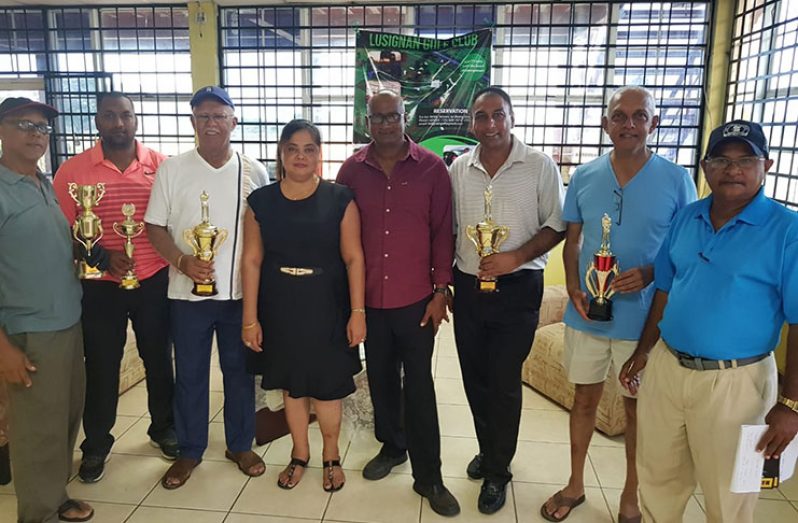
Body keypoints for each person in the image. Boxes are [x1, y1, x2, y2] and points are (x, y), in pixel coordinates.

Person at [619, 120, 798, 522]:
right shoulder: (688, 217)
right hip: (667, 369)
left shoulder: (788, 231)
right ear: (705, 167)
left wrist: (791, 403)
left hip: (736, 383)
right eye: (721, 159)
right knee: (659, 481)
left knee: (728, 498)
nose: (732, 170)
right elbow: (664, 289)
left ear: (765, 165)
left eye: (745, 160)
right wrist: (644, 351)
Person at [541, 86, 696, 522]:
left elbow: (682, 245)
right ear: (605, 123)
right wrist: (573, 287)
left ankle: (631, 493)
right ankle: (575, 484)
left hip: (644, 320)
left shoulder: (676, 179)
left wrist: (649, 273)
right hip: (588, 313)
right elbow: (572, 242)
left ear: (654, 123)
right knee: (583, 399)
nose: (629, 124)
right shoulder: (586, 176)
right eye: (620, 116)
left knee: (636, 409)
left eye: (639, 116)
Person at [336, 90, 460, 516]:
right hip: (369, 300)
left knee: (420, 387)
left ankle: (430, 477)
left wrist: (441, 291)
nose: (386, 124)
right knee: (383, 380)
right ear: (367, 121)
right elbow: (341, 237)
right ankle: (393, 447)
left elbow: (444, 233)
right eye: (378, 118)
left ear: (406, 118)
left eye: (394, 117)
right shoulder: (351, 170)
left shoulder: (431, 169)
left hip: (416, 301)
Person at [449, 86, 566, 514]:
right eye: (482, 116)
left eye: (498, 115)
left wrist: (514, 257)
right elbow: (451, 229)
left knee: (502, 382)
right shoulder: (459, 168)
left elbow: (557, 224)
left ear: (512, 118)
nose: (490, 124)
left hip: (518, 290)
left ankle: (499, 470)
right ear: (472, 123)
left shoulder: (538, 165)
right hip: (468, 287)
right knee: (475, 378)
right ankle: (488, 449)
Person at [144, 86, 268, 489]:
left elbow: (264, 232)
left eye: (219, 116)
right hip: (187, 297)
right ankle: (190, 450)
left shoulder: (253, 170)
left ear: (234, 122)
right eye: (203, 117)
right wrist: (182, 261)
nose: (211, 124)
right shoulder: (172, 169)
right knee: (191, 374)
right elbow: (154, 226)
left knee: (239, 373)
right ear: (193, 122)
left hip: (238, 296)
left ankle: (240, 444)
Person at [52, 92, 177, 484]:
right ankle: (97, 445)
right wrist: (102, 257)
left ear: (136, 119)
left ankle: (163, 429)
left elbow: (174, 224)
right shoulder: (72, 173)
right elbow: (60, 233)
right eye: (109, 116)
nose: (118, 123)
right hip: (100, 285)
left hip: (154, 279)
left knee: (158, 359)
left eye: (125, 115)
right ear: (97, 121)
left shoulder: (162, 167)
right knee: (102, 367)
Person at [241, 119, 365, 491]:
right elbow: (251, 260)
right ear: (281, 152)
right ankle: (299, 454)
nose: (300, 156)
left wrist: (358, 312)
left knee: (326, 388)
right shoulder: (260, 202)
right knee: (292, 387)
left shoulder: (340, 198)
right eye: (292, 148)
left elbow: (354, 258)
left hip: (327, 306)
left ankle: (330, 455)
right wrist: (250, 318)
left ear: (319, 155)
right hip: (279, 307)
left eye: (309, 148)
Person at [0, 97, 94, 521]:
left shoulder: (43, 184)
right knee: (36, 430)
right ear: (2, 130)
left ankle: (55, 495)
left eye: (42, 127)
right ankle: (35, 512)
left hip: (66, 323)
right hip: (27, 331)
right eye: (25, 124)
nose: (36, 134)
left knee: (64, 418)